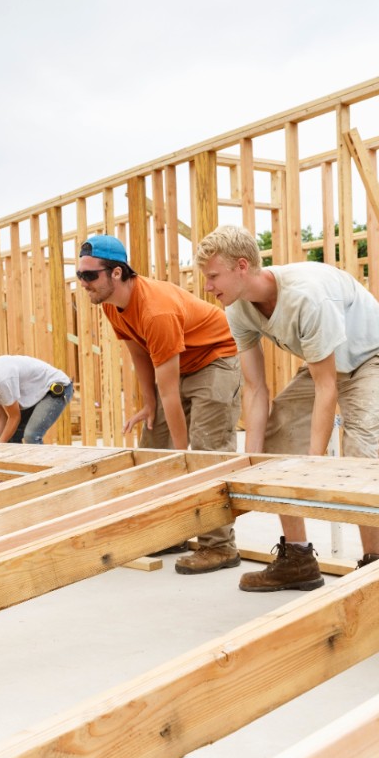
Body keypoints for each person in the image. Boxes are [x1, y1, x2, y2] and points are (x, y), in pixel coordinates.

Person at [195, 224, 379, 591]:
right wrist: (253, 461)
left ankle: (374, 565)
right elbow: (256, 387)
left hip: (367, 357)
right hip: (321, 363)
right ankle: (297, 560)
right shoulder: (238, 309)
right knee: (276, 447)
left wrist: (313, 462)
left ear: (241, 267)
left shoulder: (306, 296)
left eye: (213, 276)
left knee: (359, 454)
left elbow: (329, 388)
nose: (208, 286)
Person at [77, 233, 242, 575]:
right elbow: (139, 352)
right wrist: (148, 404)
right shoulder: (113, 305)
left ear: (117, 273)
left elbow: (172, 394)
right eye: (80, 276)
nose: (84, 284)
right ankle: (174, 530)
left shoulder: (156, 311)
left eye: (90, 276)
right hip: (178, 363)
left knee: (204, 453)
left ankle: (220, 546)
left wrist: (182, 454)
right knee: (153, 447)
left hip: (214, 359)